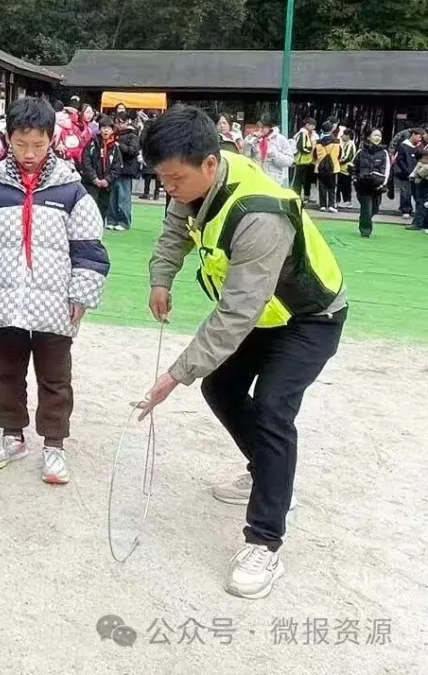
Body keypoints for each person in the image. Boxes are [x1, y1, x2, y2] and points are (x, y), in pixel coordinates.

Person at [138, 106, 346, 600]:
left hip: (309, 317)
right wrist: (161, 279)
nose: (169, 188)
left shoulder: (260, 215)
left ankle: (265, 542)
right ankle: (267, 472)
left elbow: (236, 313)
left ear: (210, 164)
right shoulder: (192, 183)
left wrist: (175, 374)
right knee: (222, 386)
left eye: (175, 179)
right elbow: (175, 231)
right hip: (265, 314)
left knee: (272, 407)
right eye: (162, 179)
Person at [0, 97, 110, 483]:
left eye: (38, 144)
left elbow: (89, 250)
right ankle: (12, 436)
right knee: (6, 373)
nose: (29, 153)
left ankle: (54, 445)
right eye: (21, 144)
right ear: (8, 138)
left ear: (51, 139)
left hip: (55, 304)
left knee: (55, 377)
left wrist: (81, 294)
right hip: (4, 300)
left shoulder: (71, 190)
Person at [79, 115, 119, 225]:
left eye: (108, 128)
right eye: (103, 128)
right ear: (99, 129)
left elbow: (117, 166)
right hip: (91, 183)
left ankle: (99, 229)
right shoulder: (91, 144)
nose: (106, 130)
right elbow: (86, 162)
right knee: (91, 207)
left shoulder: (115, 147)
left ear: (112, 130)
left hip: (106, 185)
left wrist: (108, 180)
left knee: (103, 209)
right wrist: (94, 178)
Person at [352, 128, 390, 238]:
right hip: (363, 185)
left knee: (374, 209)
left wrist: (382, 184)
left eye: (379, 136)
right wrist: (355, 180)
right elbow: (353, 167)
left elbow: (387, 170)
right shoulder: (361, 152)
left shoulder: (384, 153)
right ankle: (365, 231)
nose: (377, 138)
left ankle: (364, 219)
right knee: (366, 209)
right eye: (375, 135)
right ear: (368, 137)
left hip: (377, 186)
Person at [108, 111, 140, 231]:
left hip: (126, 169)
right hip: (113, 169)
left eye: (121, 122)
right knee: (112, 197)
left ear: (127, 122)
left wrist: (119, 145)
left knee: (123, 197)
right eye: (117, 123)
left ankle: (124, 221)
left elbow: (133, 151)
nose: (118, 125)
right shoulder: (113, 134)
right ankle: (111, 219)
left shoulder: (132, 135)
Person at [242, 115, 294, 187]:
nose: (260, 129)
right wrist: (248, 145)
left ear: (270, 128)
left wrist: (274, 155)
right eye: (258, 127)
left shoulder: (280, 139)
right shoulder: (252, 138)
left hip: (273, 180)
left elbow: (289, 160)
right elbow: (245, 158)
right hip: (256, 178)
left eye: (263, 127)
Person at [393, 127, 425, 220]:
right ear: (413, 135)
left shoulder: (419, 146)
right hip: (404, 174)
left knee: (415, 192)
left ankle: (418, 210)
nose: (420, 139)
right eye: (419, 137)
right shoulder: (403, 145)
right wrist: (407, 171)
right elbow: (400, 160)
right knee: (406, 192)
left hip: (416, 174)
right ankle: (406, 210)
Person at [312, 121, 340, 213]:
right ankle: (332, 205)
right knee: (332, 187)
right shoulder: (336, 142)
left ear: (321, 130)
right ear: (332, 130)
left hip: (320, 168)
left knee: (322, 187)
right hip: (334, 167)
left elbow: (314, 155)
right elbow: (340, 155)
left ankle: (323, 205)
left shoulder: (318, 143)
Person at [291, 117, 317, 201]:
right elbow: (301, 147)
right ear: (307, 125)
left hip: (309, 161)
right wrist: (310, 150)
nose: (313, 128)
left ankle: (306, 196)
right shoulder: (302, 134)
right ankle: (296, 196)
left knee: (307, 179)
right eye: (312, 125)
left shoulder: (310, 134)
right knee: (298, 179)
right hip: (301, 161)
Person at [406, 148, 428, 232]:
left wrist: (417, 174)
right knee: (420, 203)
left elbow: (420, 173)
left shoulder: (425, 165)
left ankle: (419, 223)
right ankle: (419, 222)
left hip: (424, 184)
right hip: (420, 184)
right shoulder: (421, 163)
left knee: (421, 203)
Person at [335, 128, 356, 208]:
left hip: (346, 169)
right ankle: (338, 200)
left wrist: (338, 161)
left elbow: (347, 157)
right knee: (339, 185)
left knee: (346, 186)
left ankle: (347, 201)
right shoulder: (343, 143)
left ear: (348, 136)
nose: (342, 136)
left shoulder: (350, 144)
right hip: (340, 168)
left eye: (344, 134)